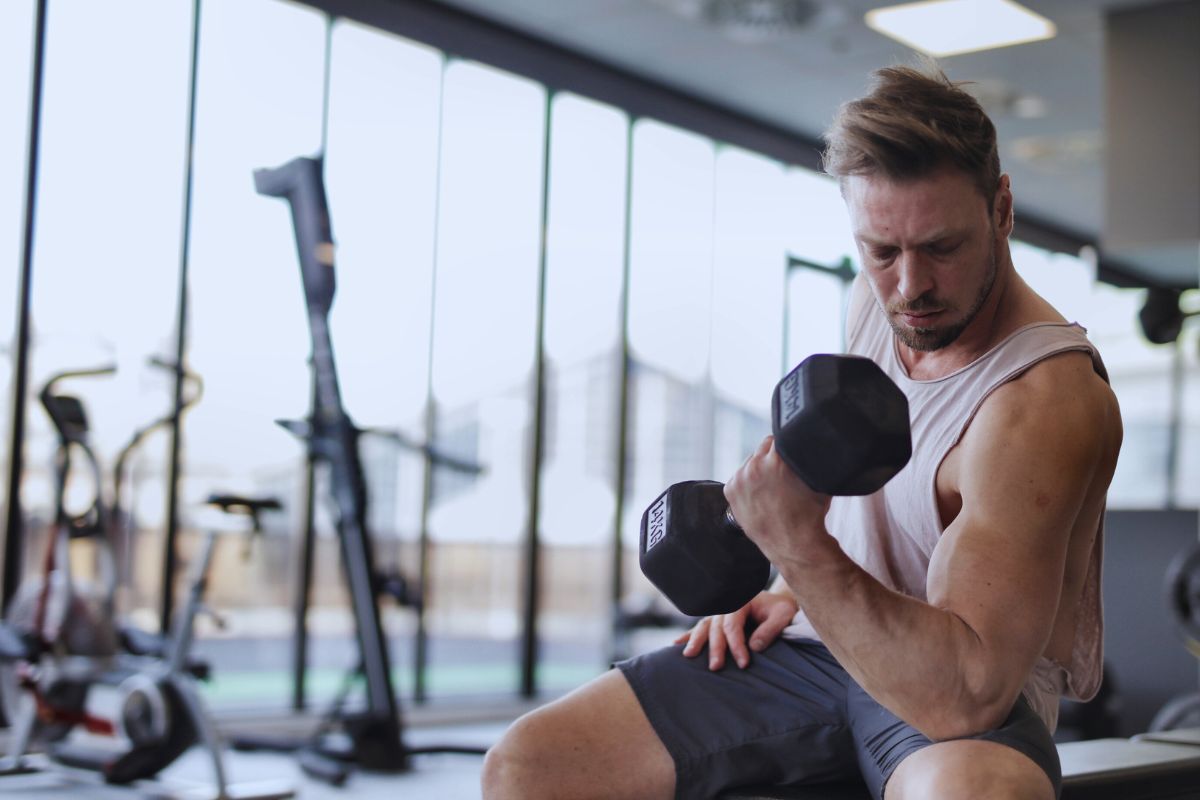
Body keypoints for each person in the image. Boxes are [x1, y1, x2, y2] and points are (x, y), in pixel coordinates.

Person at [480, 62, 1123, 800]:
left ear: (1001, 208)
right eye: (882, 251)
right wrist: (791, 589)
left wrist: (795, 547)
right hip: (820, 650)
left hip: (947, 695)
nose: (910, 286)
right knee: (529, 763)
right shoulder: (874, 302)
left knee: (977, 793)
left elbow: (966, 692)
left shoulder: (1041, 401)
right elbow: (868, 511)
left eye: (941, 248)